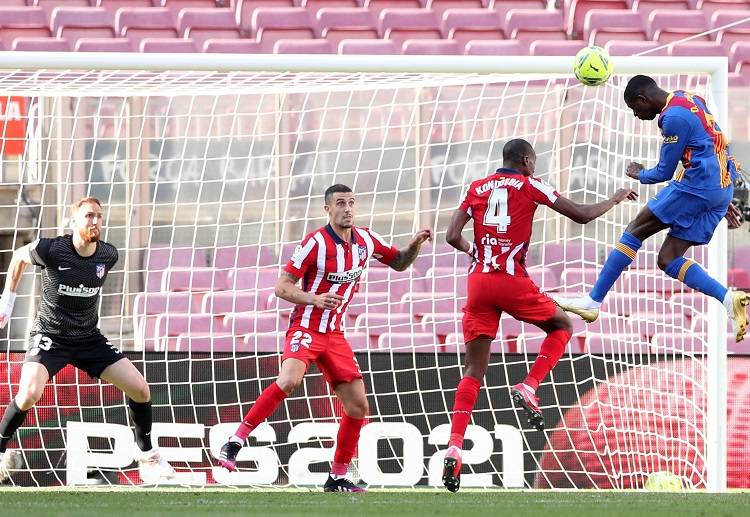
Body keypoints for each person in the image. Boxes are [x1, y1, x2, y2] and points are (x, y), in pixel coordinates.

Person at [441, 139, 637, 492]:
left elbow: (451, 236)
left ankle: (455, 444)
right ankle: (530, 385)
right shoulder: (531, 184)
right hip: (510, 280)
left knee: (473, 370)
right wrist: (615, 198)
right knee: (562, 324)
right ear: (527, 161)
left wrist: (476, 251)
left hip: (478, 283)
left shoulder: (476, 186)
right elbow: (581, 215)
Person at [218, 184, 433, 492]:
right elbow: (282, 287)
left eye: (351, 203)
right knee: (289, 380)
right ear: (328, 209)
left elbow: (399, 263)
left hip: (335, 334)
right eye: (340, 203)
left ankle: (337, 476)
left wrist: (414, 244)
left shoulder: (367, 240)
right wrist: (313, 299)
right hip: (306, 327)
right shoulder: (314, 243)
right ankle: (236, 440)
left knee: (358, 407)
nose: (347, 208)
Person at [556, 75, 749, 342]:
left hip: (699, 186)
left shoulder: (673, 118)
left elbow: (663, 172)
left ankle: (593, 301)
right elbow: (714, 143)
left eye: (635, 109)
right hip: (720, 186)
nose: (637, 116)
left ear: (642, 99)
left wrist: (639, 173)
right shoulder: (690, 98)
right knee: (667, 259)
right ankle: (728, 298)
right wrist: (722, 198)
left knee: (635, 230)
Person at [0, 197, 175, 484]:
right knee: (29, 393)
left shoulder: (108, 255)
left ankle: (148, 454)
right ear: (75, 222)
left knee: (141, 389)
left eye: (99, 216)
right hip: (50, 336)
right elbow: (19, 256)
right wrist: (7, 300)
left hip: (88, 339)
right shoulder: (51, 249)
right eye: (88, 216)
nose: (94, 221)